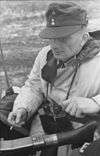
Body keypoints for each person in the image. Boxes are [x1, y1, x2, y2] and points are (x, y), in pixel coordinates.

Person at [8, 2, 100, 156]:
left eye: (63, 38)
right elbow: (34, 87)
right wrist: (23, 108)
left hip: (85, 134)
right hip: (46, 128)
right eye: (51, 38)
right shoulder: (45, 55)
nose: (55, 45)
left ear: (84, 38)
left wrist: (94, 102)